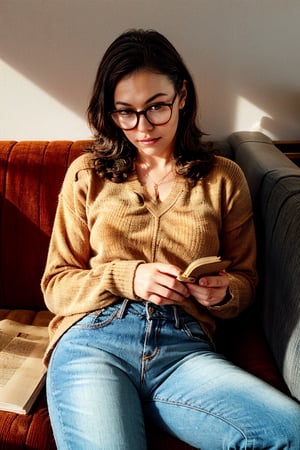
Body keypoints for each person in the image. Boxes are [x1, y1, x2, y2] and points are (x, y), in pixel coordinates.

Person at [41, 29, 300, 450]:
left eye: (156, 107)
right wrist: (128, 276)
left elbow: (246, 282)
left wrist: (222, 293)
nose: (142, 127)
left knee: (292, 432)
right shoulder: (86, 174)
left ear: (182, 95)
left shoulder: (223, 178)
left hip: (183, 350)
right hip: (95, 341)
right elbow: (55, 286)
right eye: (125, 112)